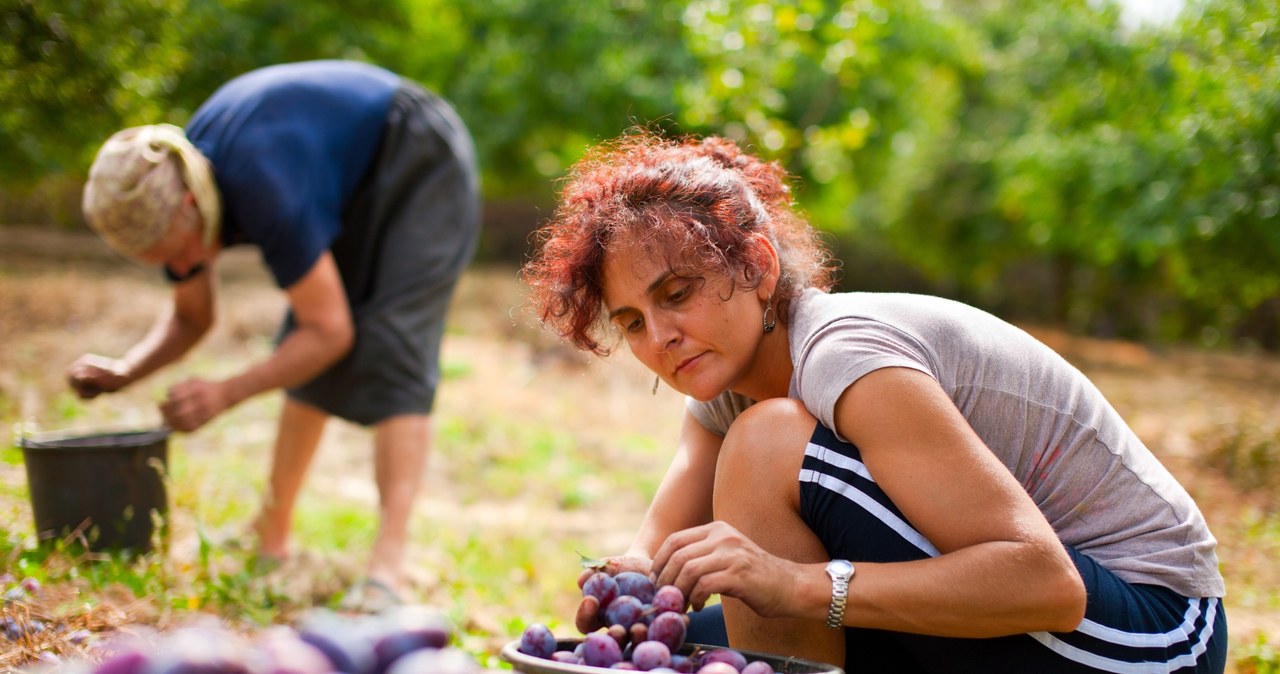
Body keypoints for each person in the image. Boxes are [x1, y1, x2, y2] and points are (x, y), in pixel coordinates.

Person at [520, 129, 1227, 673]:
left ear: (760, 268)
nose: (662, 337)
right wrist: (628, 589)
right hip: (1023, 621)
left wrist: (797, 587)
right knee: (696, 650)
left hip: (1151, 634)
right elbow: (652, 554)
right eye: (634, 322)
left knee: (769, 460)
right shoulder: (724, 389)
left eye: (678, 294)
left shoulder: (846, 356)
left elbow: (1047, 585)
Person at [67, 60, 481, 612]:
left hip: (418, 155)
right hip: (350, 174)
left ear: (191, 205)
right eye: (165, 263)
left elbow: (329, 333)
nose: (185, 267)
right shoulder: (170, 182)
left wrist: (226, 392)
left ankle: (388, 567)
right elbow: (194, 317)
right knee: (300, 338)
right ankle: (272, 532)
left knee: (393, 344)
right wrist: (126, 369)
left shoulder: (264, 186)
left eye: (180, 252)